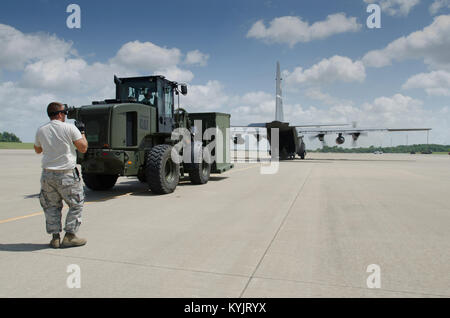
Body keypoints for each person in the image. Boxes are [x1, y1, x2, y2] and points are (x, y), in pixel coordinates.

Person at [34, 102, 88, 248]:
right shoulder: (70, 128)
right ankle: (70, 236)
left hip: (47, 175)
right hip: (66, 174)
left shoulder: (41, 130)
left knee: (51, 206)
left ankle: (55, 238)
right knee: (76, 204)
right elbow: (83, 148)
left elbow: (38, 150)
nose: (65, 116)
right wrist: (82, 131)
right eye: (64, 113)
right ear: (59, 114)